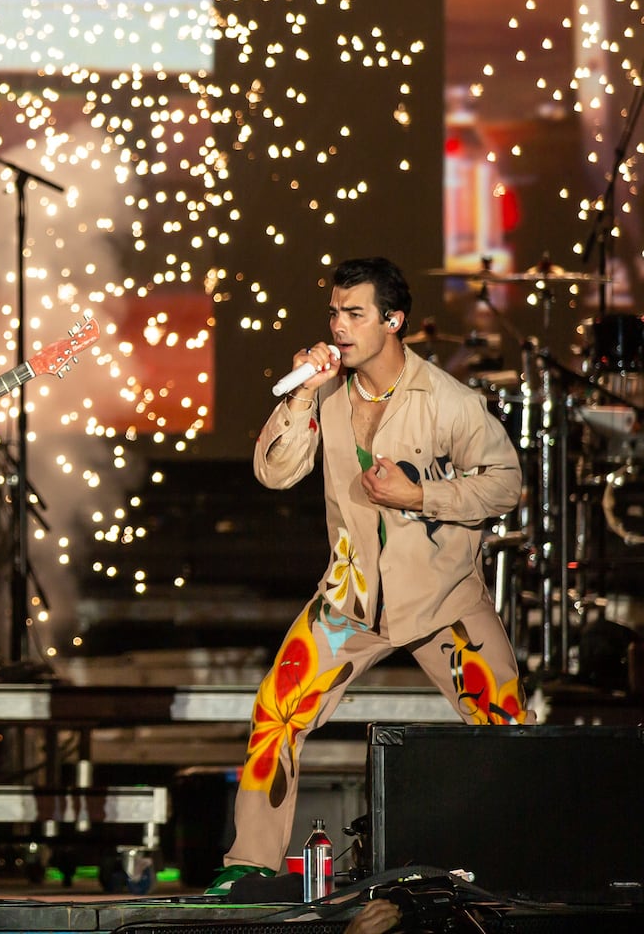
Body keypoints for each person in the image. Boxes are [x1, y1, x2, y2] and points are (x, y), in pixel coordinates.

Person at [208, 257, 533, 894]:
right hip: (350, 596)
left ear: (394, 321)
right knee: (278, 709)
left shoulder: (448, 400)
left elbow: (506, 483)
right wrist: (303, 391)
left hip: (441, 599)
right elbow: (275, 473)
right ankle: (250, 863)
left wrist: (420, 497)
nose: (340, 326)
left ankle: (528, 859)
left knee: (506, 727)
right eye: (334, 312)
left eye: (354, 314)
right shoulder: (326, 391)